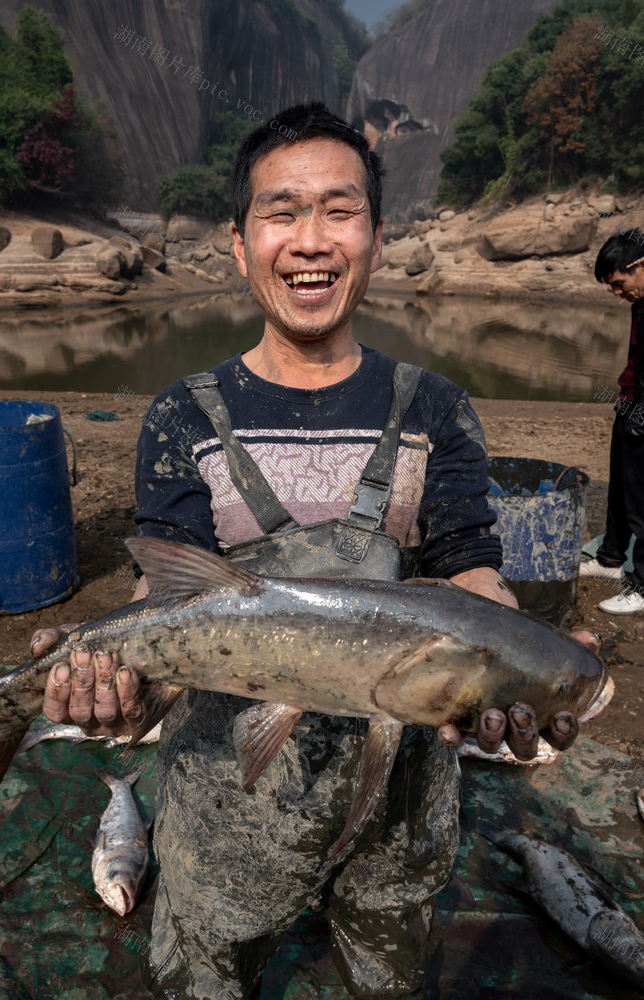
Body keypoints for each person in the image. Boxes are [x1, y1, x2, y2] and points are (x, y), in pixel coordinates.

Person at [33, 103, 594, 1000]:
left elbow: (469, 565)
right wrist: (113, 685)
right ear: (238, 238)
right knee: (210, 970)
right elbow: (165, 584)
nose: (310, 240)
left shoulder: (436, 408)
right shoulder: (184, 414)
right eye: (281, 211)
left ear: (375, 235)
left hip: (398, 790)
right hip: (225, 797)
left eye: (339, 210)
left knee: (387, 970)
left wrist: (524, 659)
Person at [579, 230, 644, 614]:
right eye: (611, 289)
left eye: (620, 283)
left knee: (640, 500)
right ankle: (611, 559)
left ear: (638, 266)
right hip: (630, 403)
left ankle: (641, 585)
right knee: (620, 487)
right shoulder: (639, 301)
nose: (618, 293)